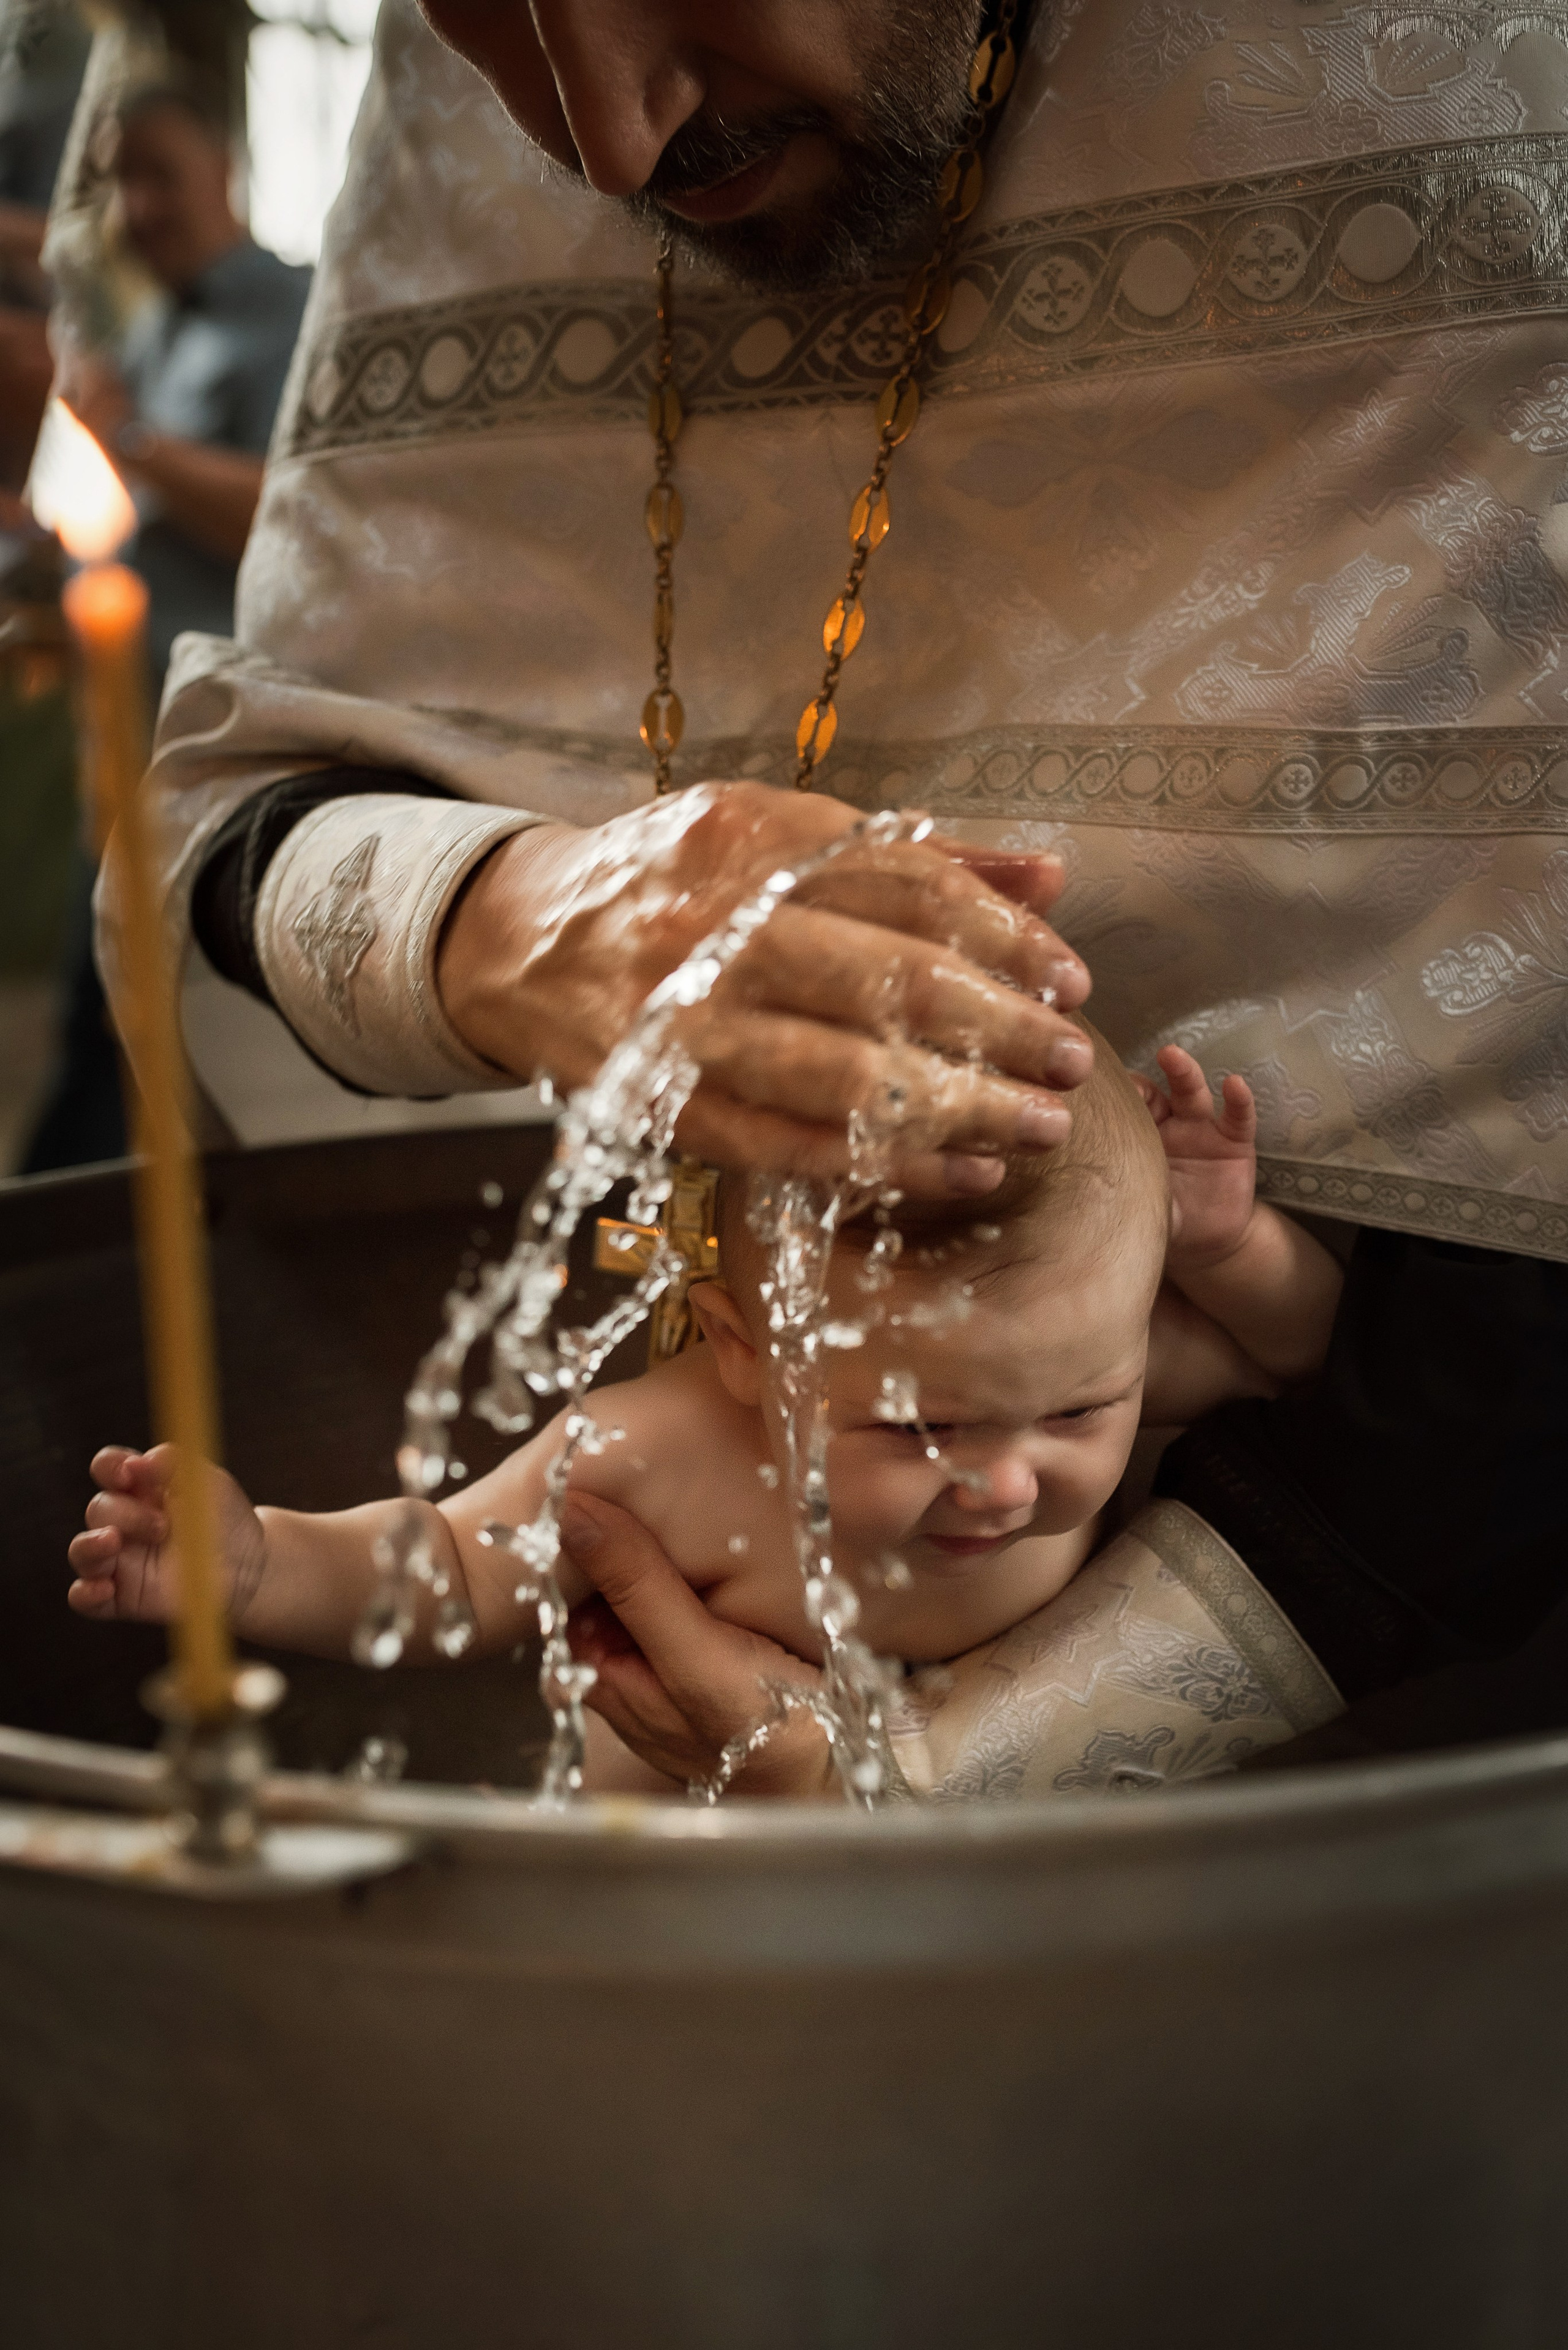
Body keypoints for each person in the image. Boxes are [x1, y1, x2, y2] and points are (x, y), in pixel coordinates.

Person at [81, 0, 1568, 1780]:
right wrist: (505, 912)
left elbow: (1410, 1330)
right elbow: (229, 819)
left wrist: (953, 1768)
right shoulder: (676, 1442)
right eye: (474, 13)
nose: (605, 145)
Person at [67, 1032, 1348, 1798]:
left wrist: (1233, 1247)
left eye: (1080, 1410)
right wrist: (262, 1561)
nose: (1008, 1484)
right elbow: (453, 1568)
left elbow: (1298, 1362)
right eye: (918, 1429)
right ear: (744, 1349)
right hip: (669, 1876)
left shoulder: (1059, 1360)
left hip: (977, 1852)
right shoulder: (655, 1453)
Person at [24, 74, 310, 1172]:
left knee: (145, 1042)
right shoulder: (150, 334)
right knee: (100, 1020)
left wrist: (130, 435)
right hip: (125, 742)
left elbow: (291, 518)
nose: (138, 206)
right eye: (118, 183)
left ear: (225, 172)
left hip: (227, 758)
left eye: (160, 174)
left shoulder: (294, 312)